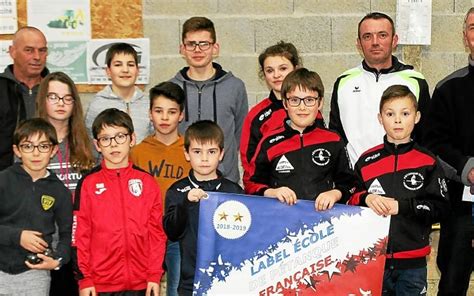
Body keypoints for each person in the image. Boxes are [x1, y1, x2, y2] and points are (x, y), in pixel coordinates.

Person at [348, 85, 449, 295]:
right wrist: (366, 198)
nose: (397, 120)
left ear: (417, 116)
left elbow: (440, 208)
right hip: (374, 261)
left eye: (405, 113)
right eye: (390, 114)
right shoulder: (366, 162)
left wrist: (401, 206)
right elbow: (349, 199)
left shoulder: (428, 162)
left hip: (413, 264)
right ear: (379, 118)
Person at [72, 109, 166, 296]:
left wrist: (154, 275)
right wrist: (85, 279)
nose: (113, 144)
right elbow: (80, 234)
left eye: (120, 136)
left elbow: (157, 234)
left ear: (132, 139)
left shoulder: (147, 182)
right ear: (97, 145)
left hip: (142, 284)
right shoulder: (88, 184)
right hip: (100, 285)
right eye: (105, 139)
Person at [329, 12, 430, 166]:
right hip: (357, 179)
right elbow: (336, 136)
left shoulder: (415, 80)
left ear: (394, 40)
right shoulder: (344, 82)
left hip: (403, 176)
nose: (375, 42)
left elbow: (426, 136)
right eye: (367, 36)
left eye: (382, 35)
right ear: (358, 43)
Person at [245, 68, 354, 210]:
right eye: (295, 100)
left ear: (320, 103)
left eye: (309, 100)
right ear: (285, 104)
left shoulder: (333, 140)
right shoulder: (268, 142)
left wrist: (334, 194)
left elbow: (350, 184)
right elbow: (251, 185)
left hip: (323, 223)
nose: (302, 107)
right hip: (281, 222)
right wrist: (273, 192)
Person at [423, 8, 474, 295]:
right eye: (473, 27)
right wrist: (467, 168)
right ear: (465, 36)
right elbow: (433, 143)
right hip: (462, 206)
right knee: (453, 282)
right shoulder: (448, 88)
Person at [163, 120, 244, 296]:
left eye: (212, 152)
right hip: (190, 282)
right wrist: (186, 203)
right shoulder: (177, 191)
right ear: (186, 153)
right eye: (197, 152)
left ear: (221, 154)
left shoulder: (234, 191)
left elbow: (244, 239)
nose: (205, 158)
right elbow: (171, 232)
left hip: (228, 281)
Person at [36, 71, 95, 296]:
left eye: (67, 98)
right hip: (47, 240)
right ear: (43, 101)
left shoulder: (88, 142)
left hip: (83, 242)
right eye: (54, 97)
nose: (61, 103)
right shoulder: (32, 142)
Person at [130, 81, 191, 296]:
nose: (165, 118)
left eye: (172, 112)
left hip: (177, 235)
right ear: (149, 113)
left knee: (176, 290)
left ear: (181, 115)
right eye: (159, 111)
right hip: (144, 236)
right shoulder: (137, 152)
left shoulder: (189, 152)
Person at [170, 16, 248, 183]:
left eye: (204, 44)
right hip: (182, 181)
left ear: (215, 48)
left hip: (225, 181)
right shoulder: (171, 88)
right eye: (191, 44)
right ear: (182, 49)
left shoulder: (235, 86)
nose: (197, 50)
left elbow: (240, 135)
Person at [0, 118, 72, 295]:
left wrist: (58, 260)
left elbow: (67, 234)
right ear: (17, 150)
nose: (36, 153)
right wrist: (17, 237)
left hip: (35, 274)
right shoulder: (3, 180)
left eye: (43, 146)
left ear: (54, 150)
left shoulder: (59, 190)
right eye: (28, 146)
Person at [240, 41, 325, 190]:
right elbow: (249, 165)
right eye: (269, 70)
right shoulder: (256, 115)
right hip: (274, 195)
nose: (276, 75)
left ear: (296, 69)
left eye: (283, 68)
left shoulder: (310, 110)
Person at [0, 26, 49, 171]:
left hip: (49, 176)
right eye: (29, 50)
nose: (37, 57)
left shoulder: (57, 89)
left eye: (42, 50)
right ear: (12, 51)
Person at [85, 43, 153, 143]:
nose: (125, 70)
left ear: (137, 71)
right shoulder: (97, 104)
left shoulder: (149, 103)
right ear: (108, 71)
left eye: (130, 65)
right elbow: (91, 144)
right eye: (118, 65)